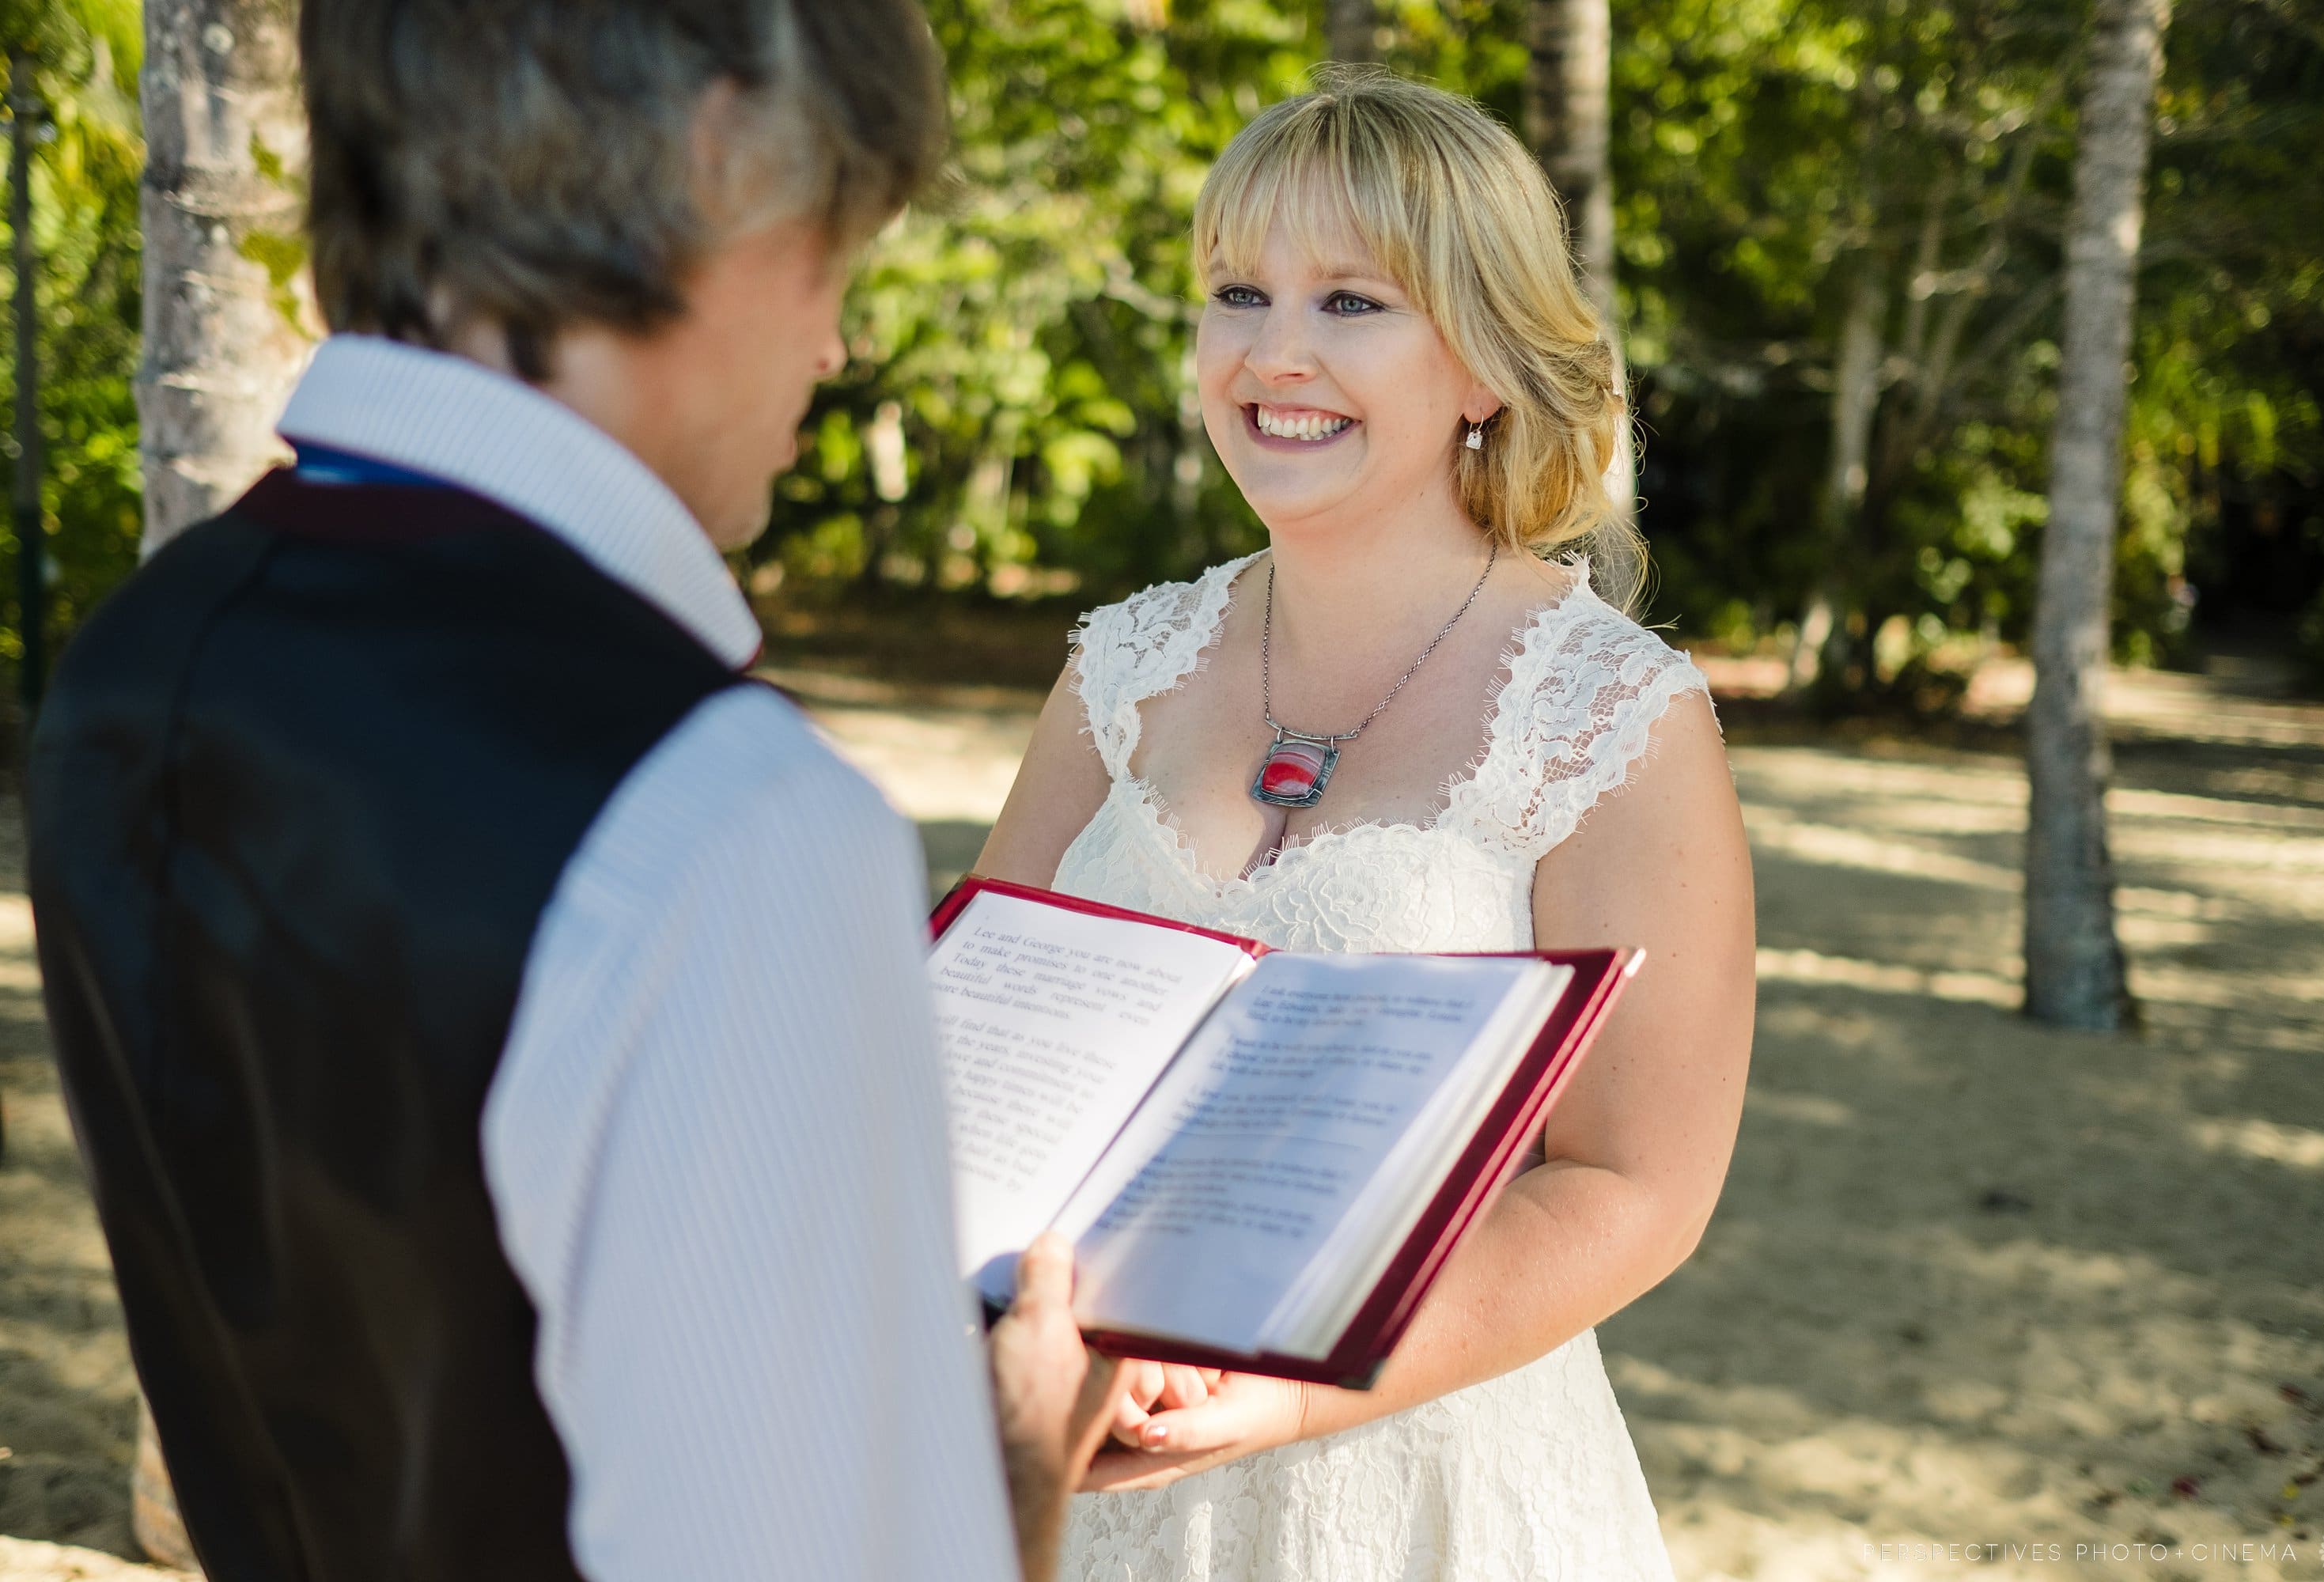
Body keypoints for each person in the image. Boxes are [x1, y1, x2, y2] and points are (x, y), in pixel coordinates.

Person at [27, 3, 1117, 1579]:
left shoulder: (138, 662)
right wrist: (1010, 1470)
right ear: (719, 152)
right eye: (835, 254)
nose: (834, 343)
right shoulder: (725, 816)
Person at [974, 69, 1758, 1580]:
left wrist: (1283, 1387)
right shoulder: (1120, 665)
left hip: (1417, 1485)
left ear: (1483, 365)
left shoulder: (1615, 716)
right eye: (1236, 293)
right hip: (1081, 1455)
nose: (1273, 353)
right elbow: (994, 1059)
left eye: (1351, 304)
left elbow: (1633, 1187)